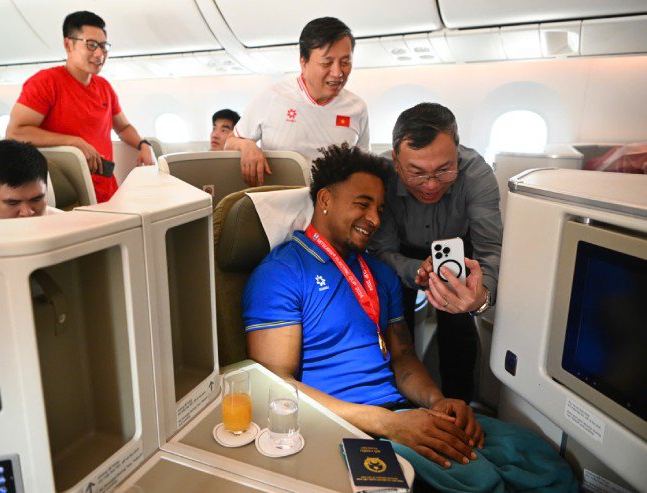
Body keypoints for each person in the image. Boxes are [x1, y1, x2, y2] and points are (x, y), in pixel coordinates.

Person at [243, 144, 576, 493]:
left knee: (539, 460)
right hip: (344, 427)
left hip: (402, 414)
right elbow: (275, 385)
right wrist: (388, 424)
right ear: (325, 199)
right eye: (362, 204)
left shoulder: (380, 274)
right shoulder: (282, 273)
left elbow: (403, 358)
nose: (374, 219)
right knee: (480, 481)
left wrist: (437, 402)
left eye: (379, 208)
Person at [369, 103, 503, 404]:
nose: (430, 185)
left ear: (457, 150)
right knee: (395, 323)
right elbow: (382, 250)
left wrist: (481, 296)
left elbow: (490, 249)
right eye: (416, 173)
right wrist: (415, 269)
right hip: (399, 251)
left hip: (458, 246)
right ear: (396, 161)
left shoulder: (476, 173)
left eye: (444, 170)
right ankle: (400, 405)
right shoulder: (380, 175)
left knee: (459, 327)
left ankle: (461, 405)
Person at [6, 11, 153, 203]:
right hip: (67, 196)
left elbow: (123, 127)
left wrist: (143, 145)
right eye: (91, 45)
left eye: (103, 46)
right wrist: (73, 142)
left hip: (108, 193)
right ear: (69, 44)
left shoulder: (104, 87)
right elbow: (15, 133)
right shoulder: (45, 83)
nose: (99, 54)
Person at [226, 17, 369, 186]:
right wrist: (246, 146)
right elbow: (229, 143)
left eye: (345, 63)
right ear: (303, 62)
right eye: (327, 63)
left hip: (333, 201)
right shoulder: (273, 97)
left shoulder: (357, 108)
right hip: (280, 199)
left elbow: (364, 165)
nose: (338, 73)